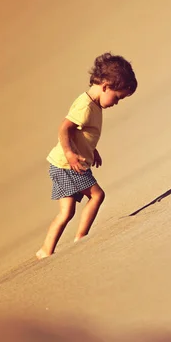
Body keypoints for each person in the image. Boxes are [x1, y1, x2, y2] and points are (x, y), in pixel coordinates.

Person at [36, 53, 137, 259]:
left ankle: (45, 251)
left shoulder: (92, 104)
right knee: (97, 195)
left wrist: (92, 149)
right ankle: (81, 238)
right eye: (117, 97)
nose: (117, 103)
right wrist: (71, 154)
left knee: (66, 212)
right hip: (68, 164)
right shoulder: (86, 107)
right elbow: (64, 129)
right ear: (106, 85)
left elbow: (81, 133)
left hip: (62, 164)